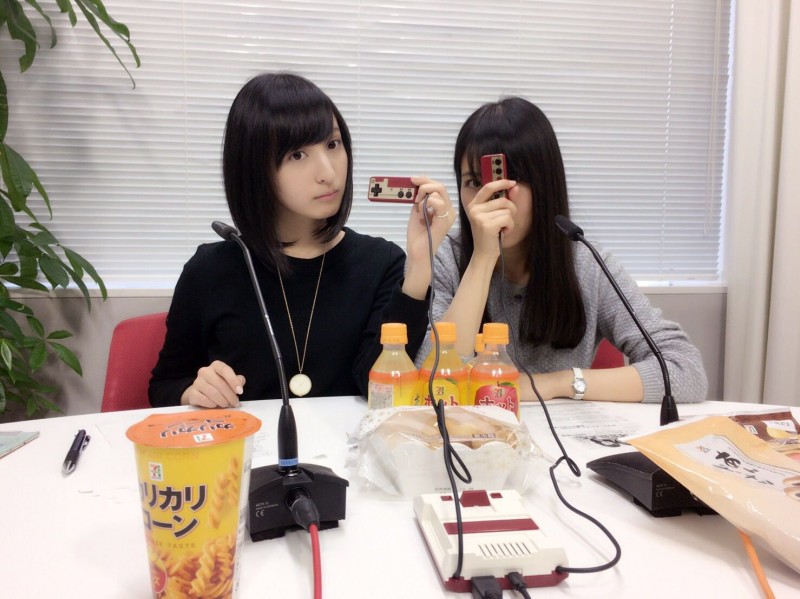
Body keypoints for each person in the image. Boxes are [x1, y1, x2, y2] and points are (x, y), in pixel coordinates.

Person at [149, 72, 455, 408]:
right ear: (254, 167)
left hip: (346, 442)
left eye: (332, 145)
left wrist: (420, 267)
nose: (328, 172)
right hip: (251, 441)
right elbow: (164, 385)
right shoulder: (210, 270)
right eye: (297, 155)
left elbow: (376, 389)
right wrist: (193, 390)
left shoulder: (381, 263)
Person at [415, 97, 707, 404]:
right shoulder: (447, 259)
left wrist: (557, 383)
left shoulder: (585, 264)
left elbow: (684, 370)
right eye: (474, 182)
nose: (491, 199)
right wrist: (483, 258)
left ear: (543, 184)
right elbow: (430, 382)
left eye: (507, 181)